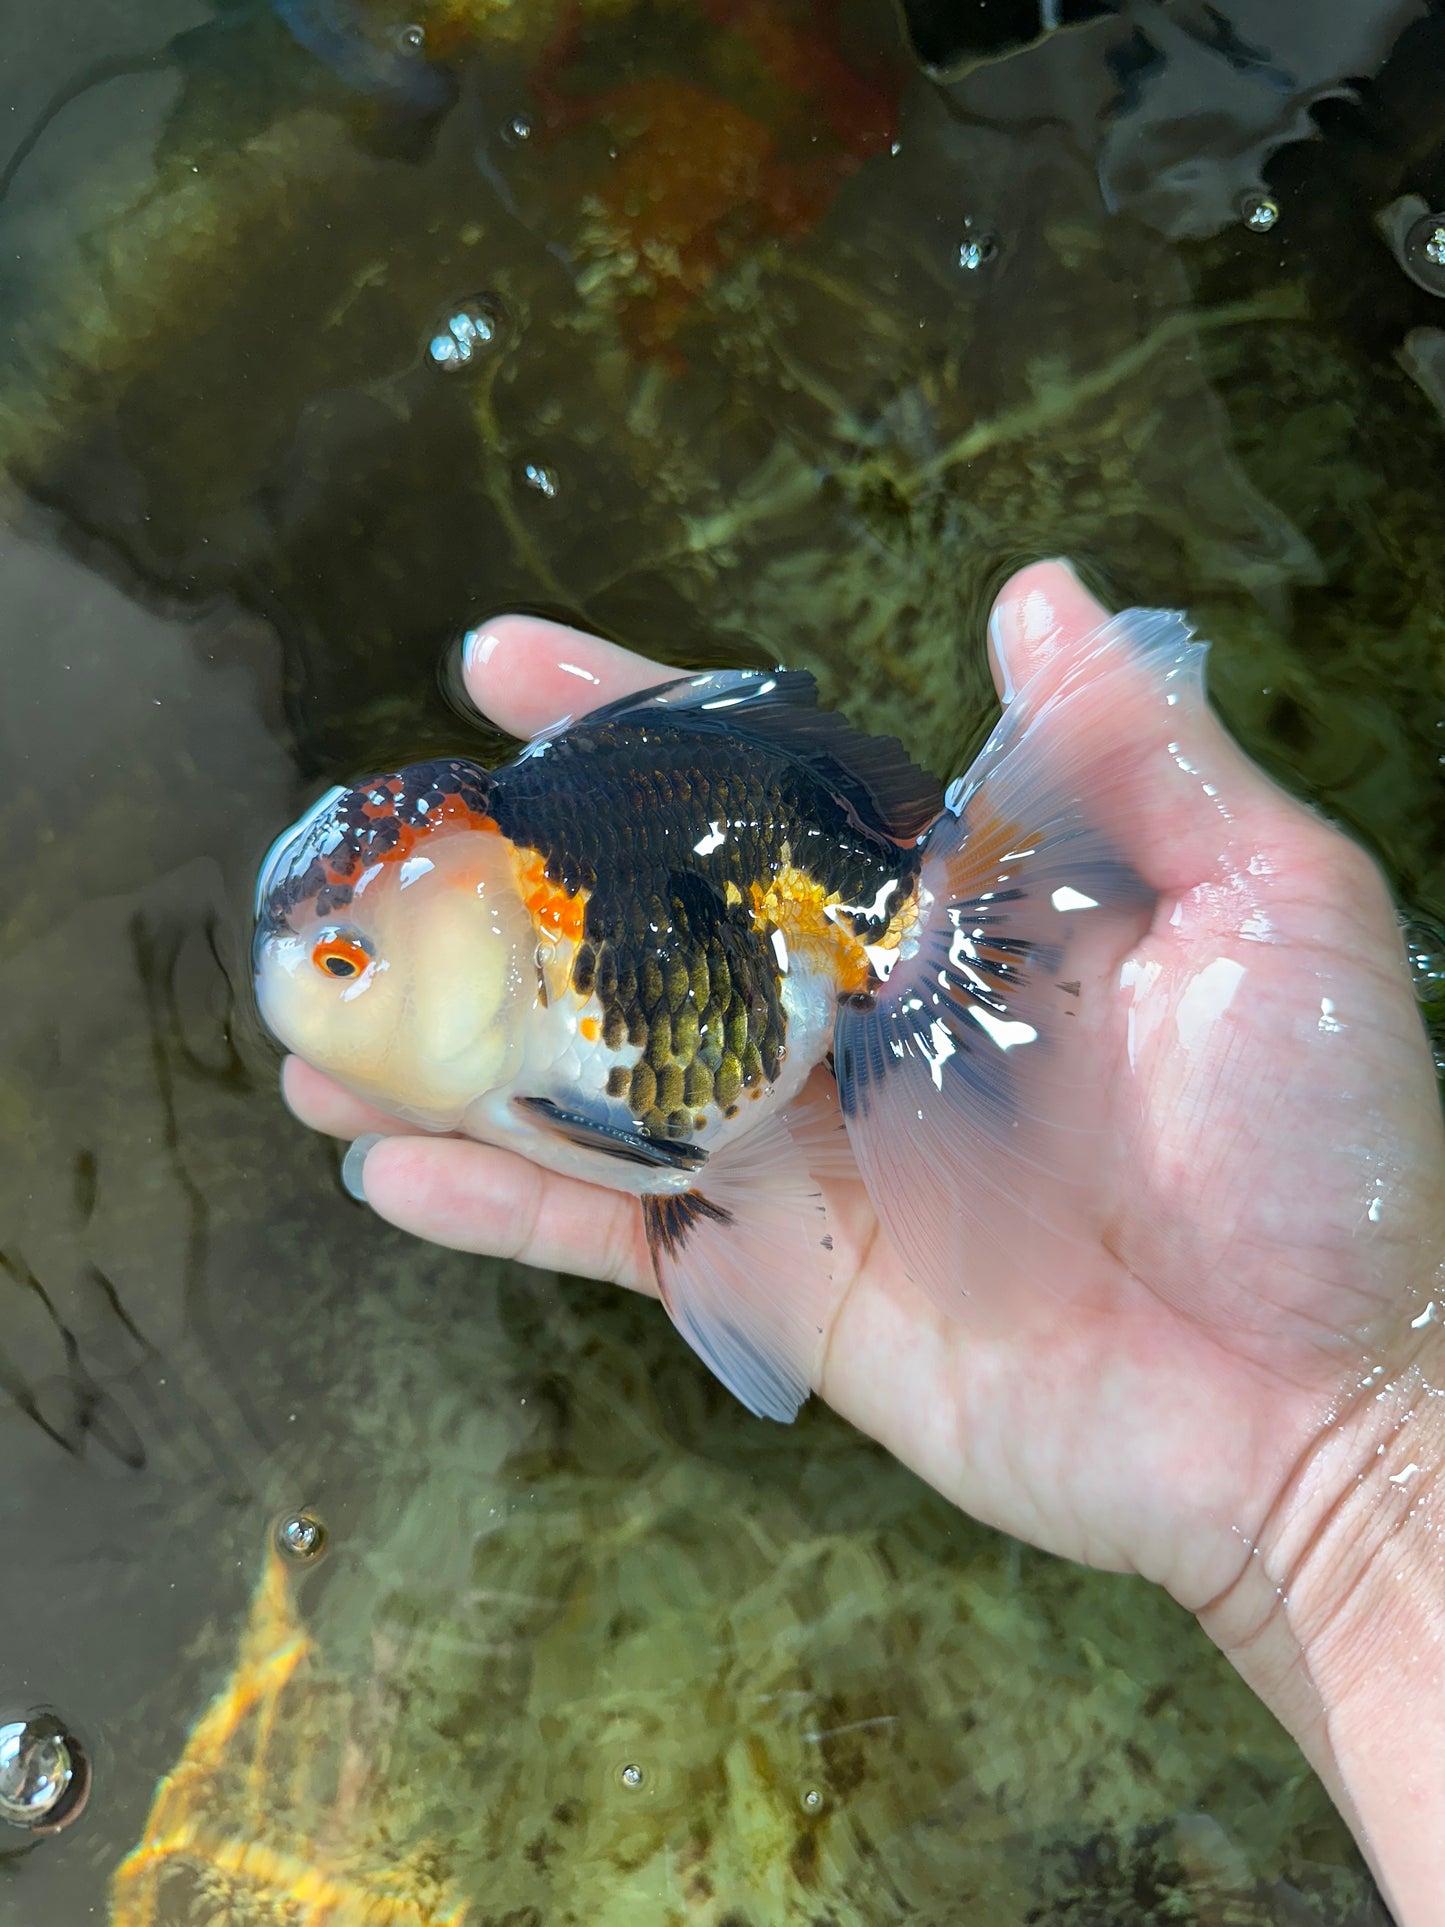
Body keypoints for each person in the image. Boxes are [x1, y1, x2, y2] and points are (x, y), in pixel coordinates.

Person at [282, 559, 1445, 1922]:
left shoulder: (559, 995)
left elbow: (675, 1158)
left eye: (345, 965)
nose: (310, 991)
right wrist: (1351, 1485)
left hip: (807, 949)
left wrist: (1348, 1472)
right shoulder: (520, 1038)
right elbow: (690, 1182)